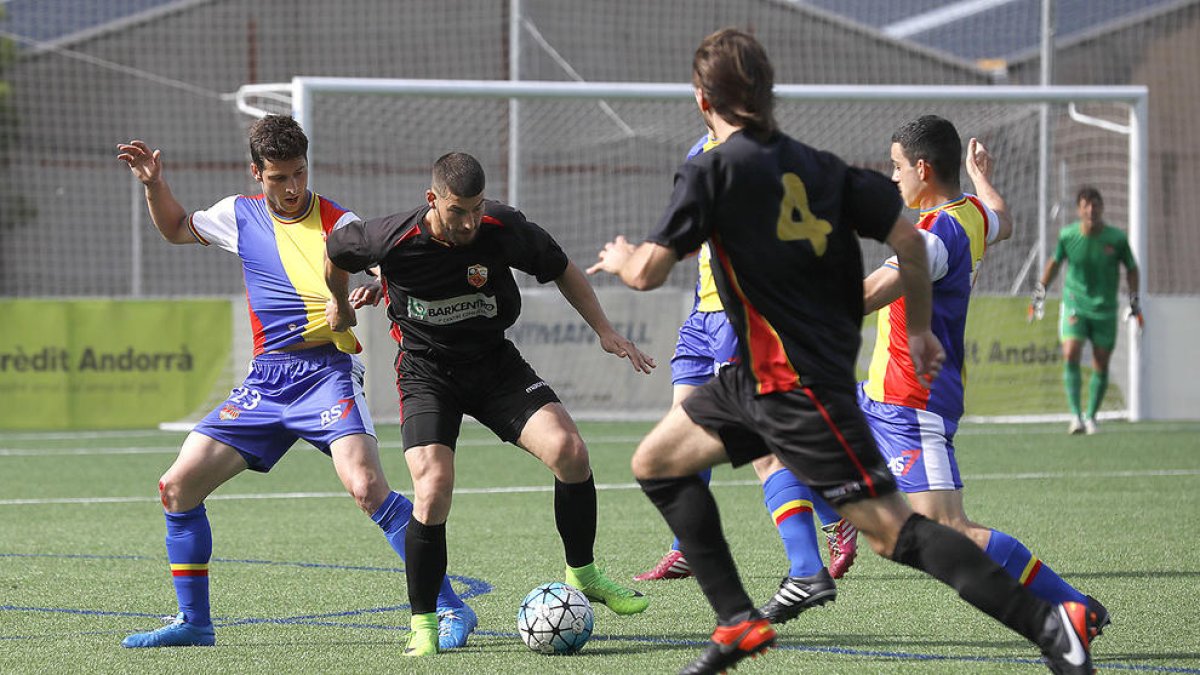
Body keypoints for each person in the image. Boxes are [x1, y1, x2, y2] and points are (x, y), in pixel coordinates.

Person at [588, 28, 1102, 675]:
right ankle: (738, 620)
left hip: (797, 387)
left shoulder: (711, 169)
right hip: (759, 376)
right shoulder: (823, 165)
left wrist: (620, 255)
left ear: (701, 101)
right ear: (770, 95)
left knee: (899, 531)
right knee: (658, 461)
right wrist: (918, 328)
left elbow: (646, 274)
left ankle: (1051, 624)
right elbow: (910, 245)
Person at [114, 115, 475, 650]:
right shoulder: (238, 215)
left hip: (327, 373)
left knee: (367, 487)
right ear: (256, 173)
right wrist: (154, 184)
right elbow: (174, 229)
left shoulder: (340, 223)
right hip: (266, 381)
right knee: (176, 486)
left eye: (299, 174)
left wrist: (378, 288)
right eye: (279, 177)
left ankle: (449, 608)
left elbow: (388, 269)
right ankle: (194, 623)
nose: (292, 188)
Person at [324, 151, 655, 657]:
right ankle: (425, 624)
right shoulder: (390, 237)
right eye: (459, 211)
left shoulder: (502, 227)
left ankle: (583, 573)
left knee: (570, 450)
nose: (470, 221)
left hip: (495, 366)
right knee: (432, 487)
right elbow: (334, 249)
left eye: (477, 208)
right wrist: (342, 302)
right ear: (432, 200)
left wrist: (605, 331)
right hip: (427, 374)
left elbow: (562, 267)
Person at [857, 114, 1109, 626]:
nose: (893, 177)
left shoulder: (931, 238)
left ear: (922, 169)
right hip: (882, 395)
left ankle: (1075, 607)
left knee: (947, 529)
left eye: (897, 166)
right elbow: (1004, 219)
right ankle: (830, 532)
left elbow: (860, 299)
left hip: (913, 403)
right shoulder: (968, 213)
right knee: (788, 426)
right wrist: (980, 176)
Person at [635, 134, 857, 620]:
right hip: (703, 313)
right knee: (681, 430)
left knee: (762, 446)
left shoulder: (765, 156)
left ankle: (814, 552)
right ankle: (687, 549)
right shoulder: (700, 149)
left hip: (740, 319)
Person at [1031, 186, 1141, 434]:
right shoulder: (1068, 236)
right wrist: (1041, 290)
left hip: (1105, 308)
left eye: (1096, 204)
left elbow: (1132, 268)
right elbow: (1054, 263)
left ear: (1102, 207)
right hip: (1075, 304)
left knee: (1101, 361)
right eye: (1086, 204)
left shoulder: (1116, 239)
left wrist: (1134, 298)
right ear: (1079, 209)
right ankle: (1076, 416)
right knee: (1070, 352)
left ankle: (1091, 417)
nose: (1091, 209)